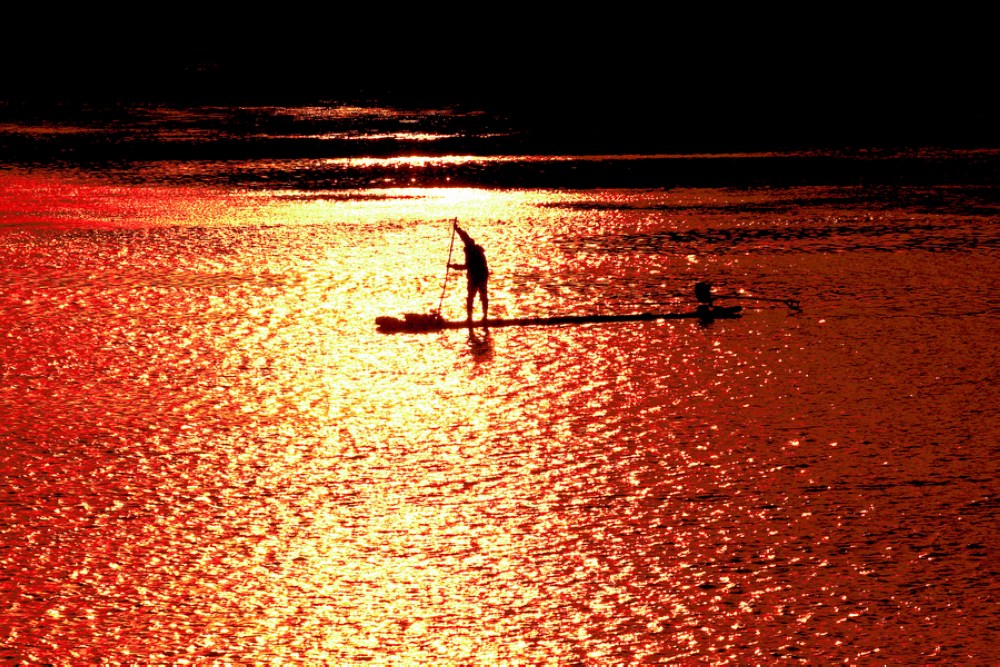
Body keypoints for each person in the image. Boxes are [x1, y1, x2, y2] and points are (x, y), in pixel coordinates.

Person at [448, 222, 489, 325]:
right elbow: (464, 236)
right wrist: (457, 229)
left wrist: (453, 266)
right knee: (474, 296)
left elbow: (466, 266)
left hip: (479, 275)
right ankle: (472, 318)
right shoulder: (471, 247)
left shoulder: (472, 251)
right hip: (478, 275)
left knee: (477, 295)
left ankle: (482, 318)